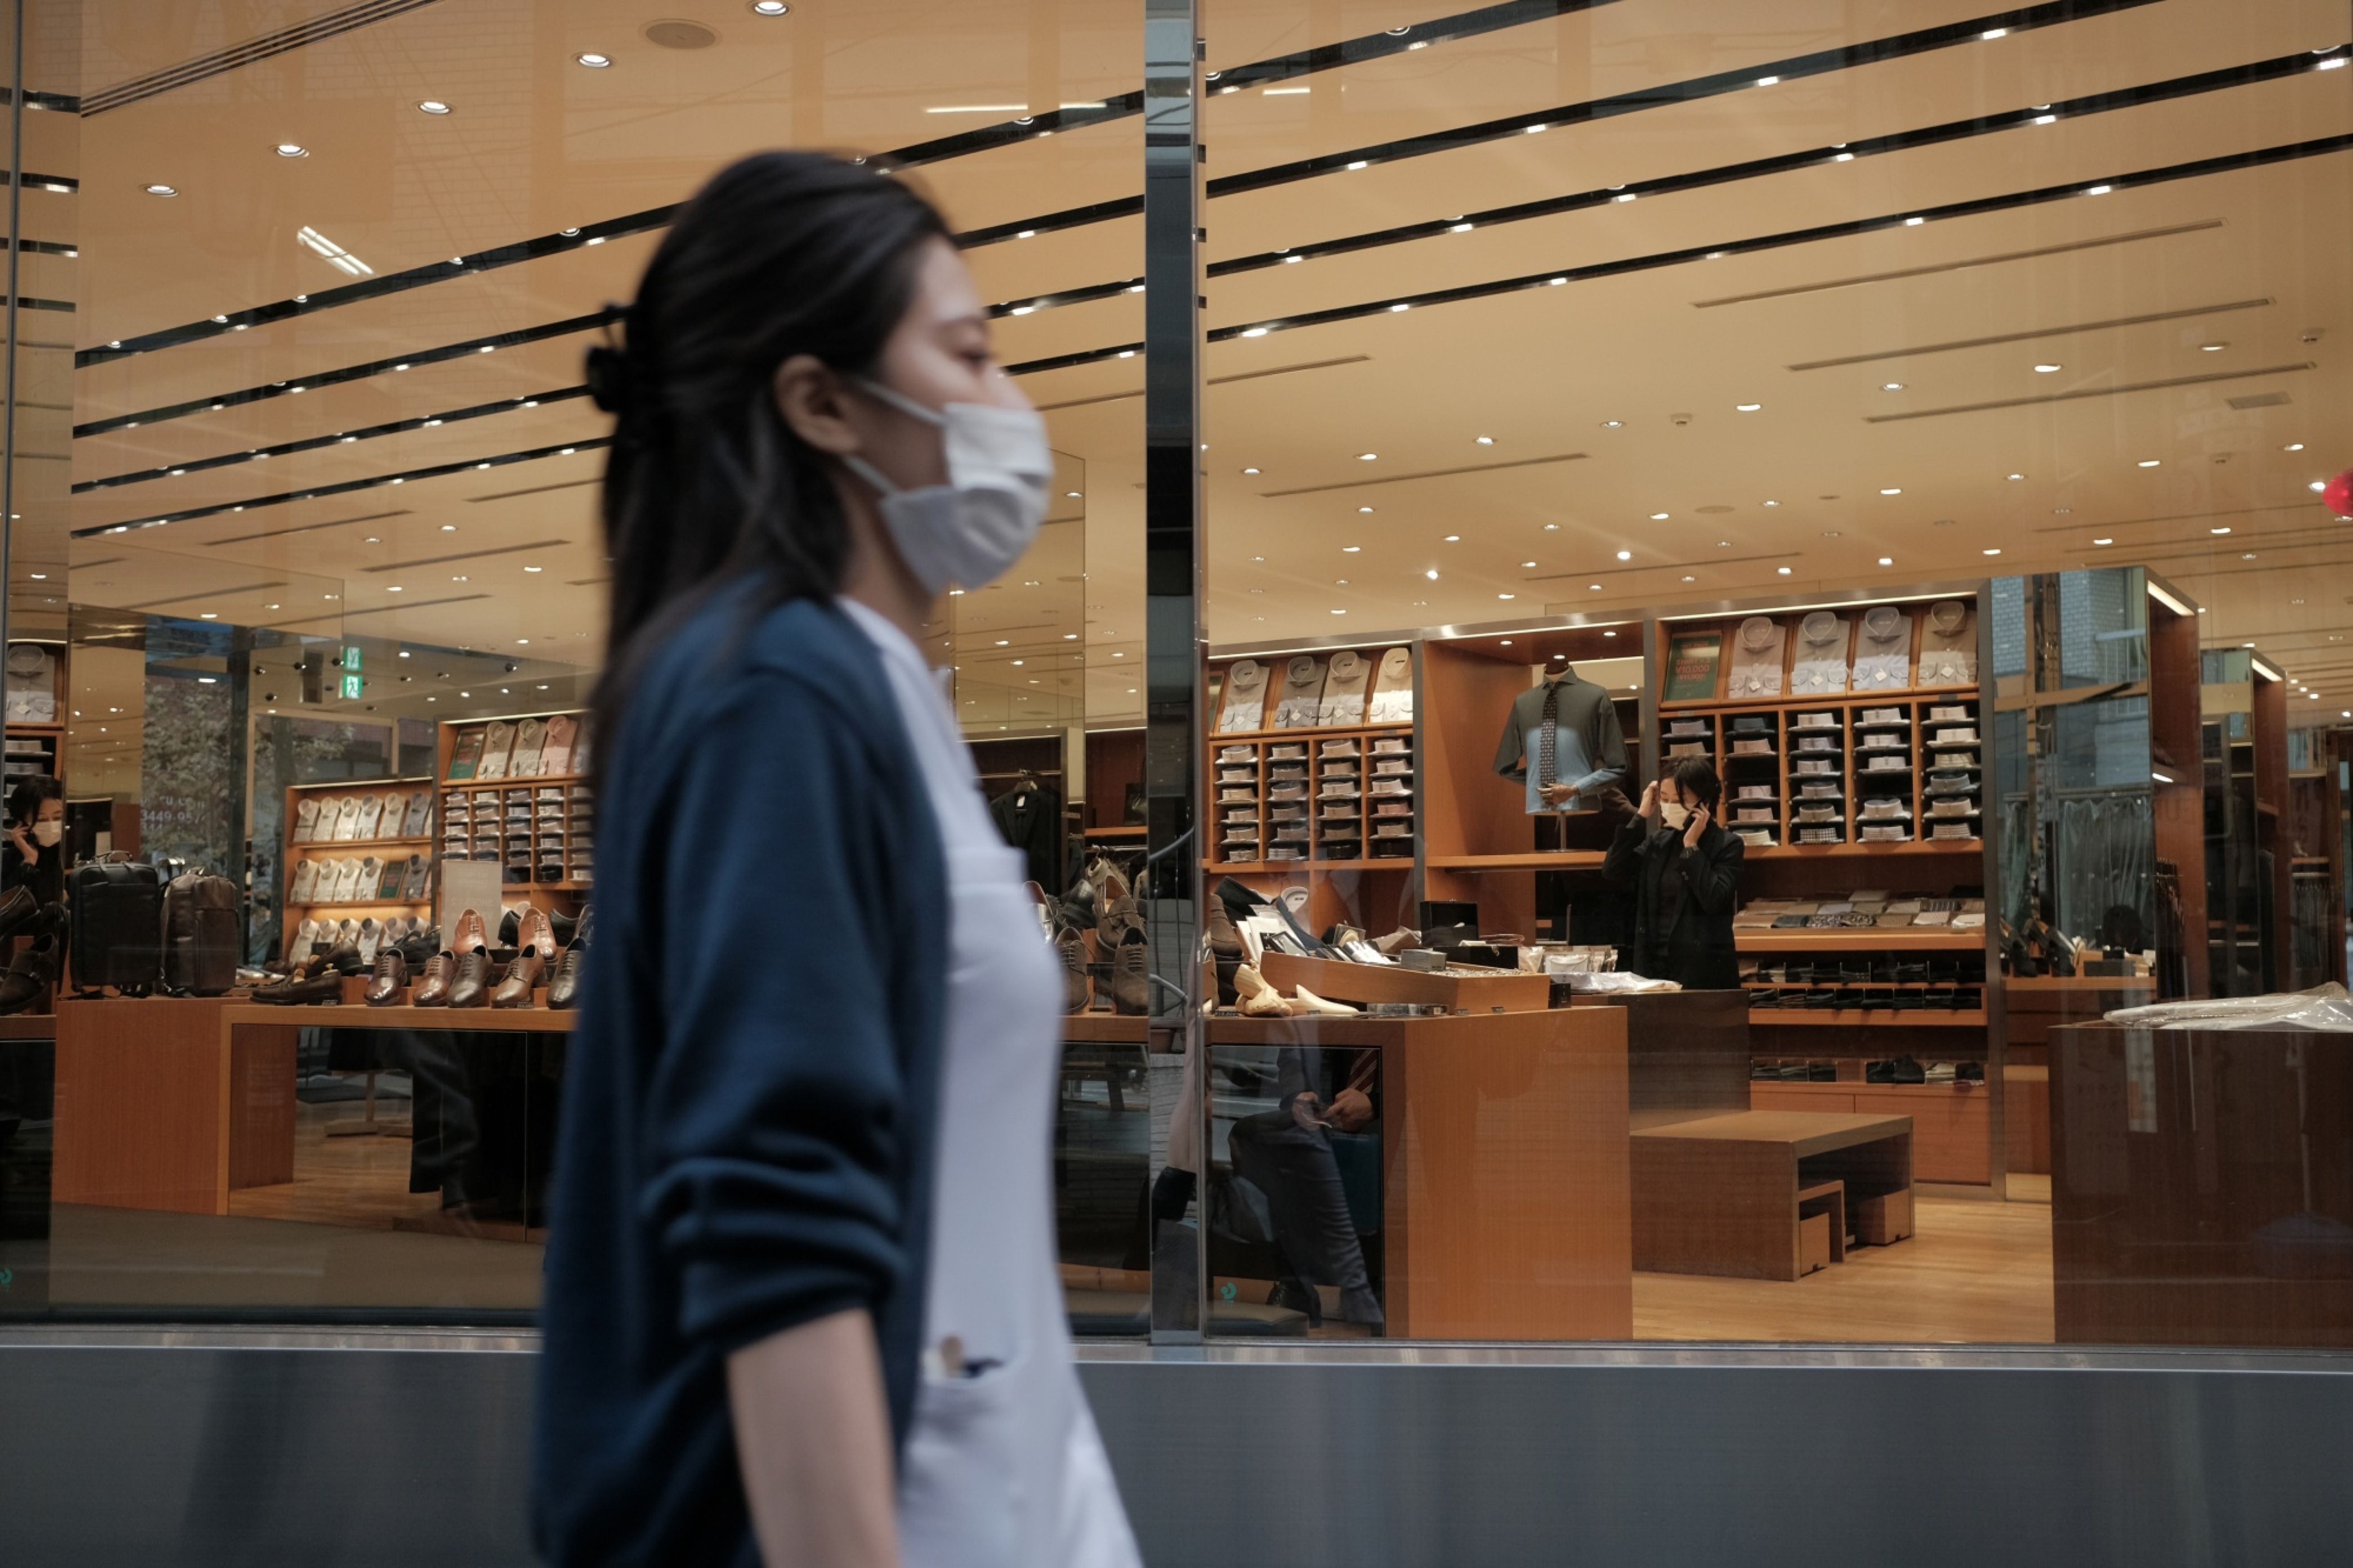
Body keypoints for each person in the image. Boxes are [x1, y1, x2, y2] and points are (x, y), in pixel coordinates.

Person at [532, 152, 1140, 1568]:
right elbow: (776, 1214)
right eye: (968, 354)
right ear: (818, 401)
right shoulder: (776, 692)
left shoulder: (864, 686)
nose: (1008, 404)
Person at [1601, 757, 1743, 990]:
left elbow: (1715, 899)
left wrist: (1691, 847)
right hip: (1653, 969)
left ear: (1704, 802)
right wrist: (1641, 816)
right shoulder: (1659, 842)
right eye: (1664, 799)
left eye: (1679, 800)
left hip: (1703, 975)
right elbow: (1613, 870)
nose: (1669, 807)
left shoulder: (1728, 845)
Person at [4, 775, 65, 909]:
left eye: (58, 817)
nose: (51, 825)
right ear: (22, 823)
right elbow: (8, 909)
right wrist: (29, 862)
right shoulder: (9, 860)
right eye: (42, 820)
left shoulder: (70, 854)